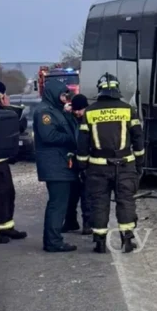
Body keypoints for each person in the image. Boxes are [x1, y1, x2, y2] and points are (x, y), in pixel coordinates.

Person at [76, 73, 145, 254]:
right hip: (125, 165)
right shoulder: (128, 110)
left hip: (97, 166)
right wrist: (140, 163)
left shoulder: (90, 112)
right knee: (126, 201)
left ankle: (100, 242)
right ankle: (127, 239)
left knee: (99, 203)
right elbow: (138, 138)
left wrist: (82, 166)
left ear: (100, 90)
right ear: (117, 88)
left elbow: (82, 144)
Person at [33, 79, 79, 252]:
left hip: (60, 163)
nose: (64, 98)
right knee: (57, 204)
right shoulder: (44, 112)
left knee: (60, 203)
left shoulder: (56, 110)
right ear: (53, 93)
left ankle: (53, 239)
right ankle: (53, 241)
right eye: (62, 95)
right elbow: (49, 136)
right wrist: (72, 138)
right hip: (55, 164)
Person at [0, 81, 28, 244]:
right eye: (3, 93)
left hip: (1, 160)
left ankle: (6, 226)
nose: (5, 96)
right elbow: (12, 126)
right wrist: (8, 108)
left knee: (7, 194)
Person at [64, 94, 92, 235]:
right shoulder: (72, 118)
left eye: (79, 110)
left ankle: (88, 224)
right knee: (71, 194)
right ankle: (71, 222)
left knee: (87, 195)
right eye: (75, 110)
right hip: (74, 159)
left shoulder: (91, 119)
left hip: (88, 161)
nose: (77, 112)